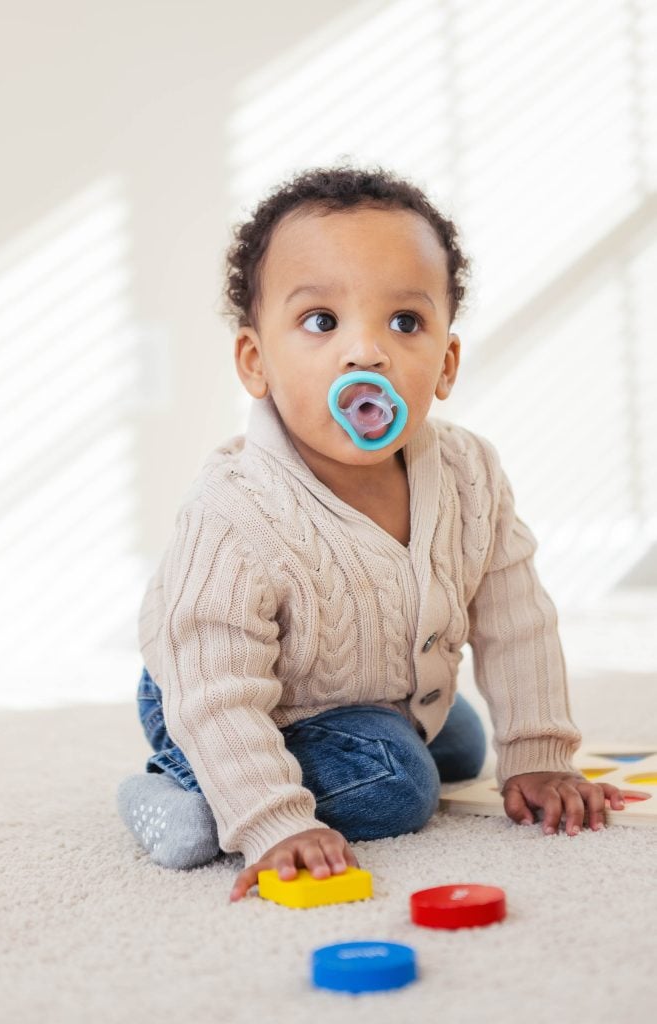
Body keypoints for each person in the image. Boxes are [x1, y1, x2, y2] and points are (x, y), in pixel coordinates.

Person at [117, 165, 627, 901]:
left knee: (465, 743)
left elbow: (517, 621)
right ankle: (188, 793)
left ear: (445, 363)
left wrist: (538, 754)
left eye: (405, 323)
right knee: (397, 783)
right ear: (255, 363)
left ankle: (322, 754)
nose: (366, 353)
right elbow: (216, 688)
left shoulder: (469, 473)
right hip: (211, 692)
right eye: (321, 322)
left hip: (372, 687)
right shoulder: (236, 510)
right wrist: (272, 820)